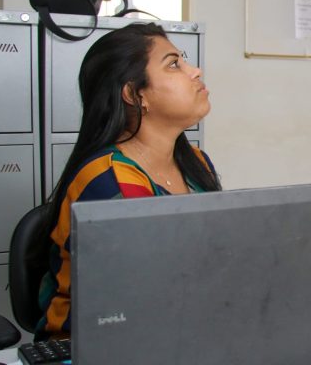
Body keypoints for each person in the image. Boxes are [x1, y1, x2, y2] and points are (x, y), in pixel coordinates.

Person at [35, 23, 221, 340]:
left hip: (174, 327)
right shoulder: (110, 179)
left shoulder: (196, 162)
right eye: (174, 64)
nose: (196, 71)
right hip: (94, 344)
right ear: (134, 94)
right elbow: (150, 292)